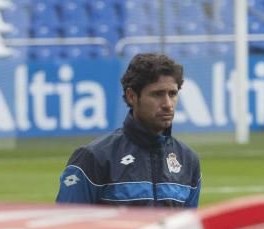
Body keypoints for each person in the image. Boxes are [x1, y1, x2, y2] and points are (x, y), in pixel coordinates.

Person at [55, 52, 202, 207]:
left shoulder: (188, 160)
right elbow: (67, 223)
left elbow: (189, 227)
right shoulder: (94, 157)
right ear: (132, 96)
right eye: (157, 94)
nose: (167, 104)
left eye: (172, 94)